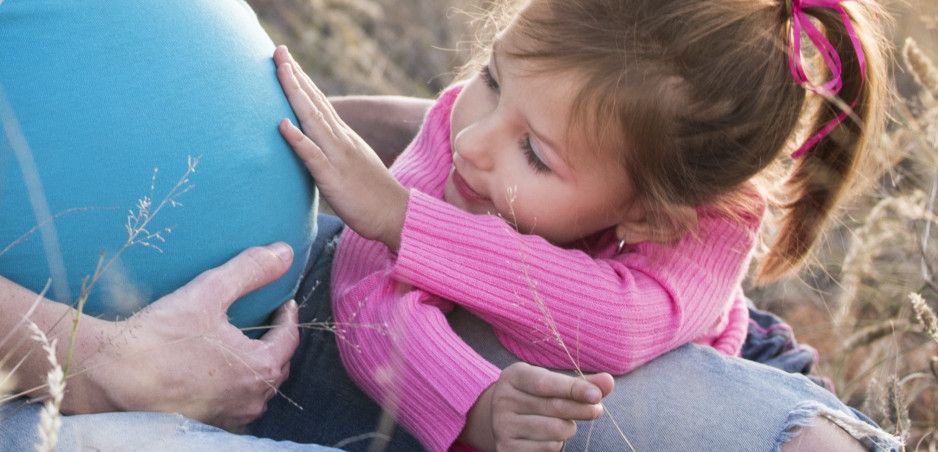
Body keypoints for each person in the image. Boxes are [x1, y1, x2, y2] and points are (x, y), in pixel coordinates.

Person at [268, 0, 904, 450]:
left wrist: (409, 224)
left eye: (536, 154)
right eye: (490, 80)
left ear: (651, 216)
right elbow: (362, 294)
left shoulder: (708, 224)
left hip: (721, 352)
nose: (475, 142)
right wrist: (471, 404)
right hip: (539, 374)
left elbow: (615, 326)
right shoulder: (460, 135)